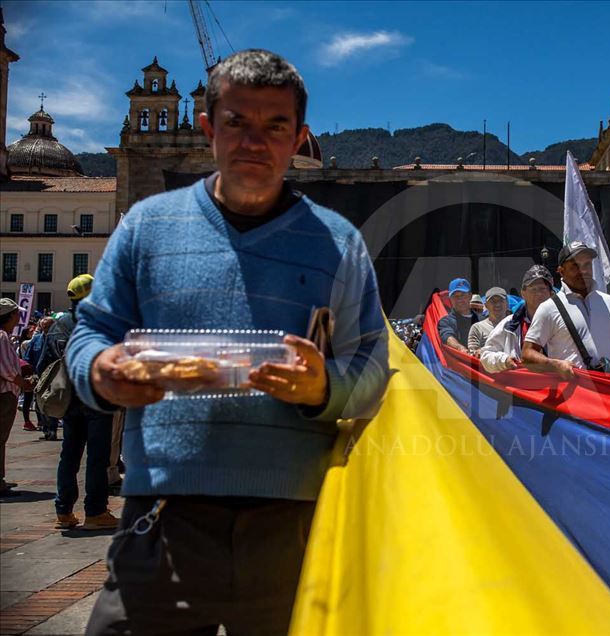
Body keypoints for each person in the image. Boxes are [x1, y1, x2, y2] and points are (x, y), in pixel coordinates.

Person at [67, 50, 388, 635]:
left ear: (300, 139)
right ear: (209, 127)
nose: (254, 141)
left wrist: (325, 387)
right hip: (163, 518)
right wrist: (102, 369)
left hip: (293, 528)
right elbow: (92, 332)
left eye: (275, 126)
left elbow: (371, 364)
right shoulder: (146, 227)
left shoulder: (339, 243)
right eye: (237, 122)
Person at [38, 275, 119, 531]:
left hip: (68, 402)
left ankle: (63, 511)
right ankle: (95, 512)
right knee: (97, 457)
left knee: (69, 456)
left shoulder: (58, 326)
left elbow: (43, 366)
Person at [522, 242, 610, 379]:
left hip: (609, 392)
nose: (583, 271)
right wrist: (554, 365)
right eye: (575, 266)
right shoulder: (549, 308)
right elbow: (527, 354)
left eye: (587, 264)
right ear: (561, 271)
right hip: (573, 395)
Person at [481, 265, 553, 373]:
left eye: (543, 289)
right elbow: (486, 356)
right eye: (533, 289)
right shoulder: (509, 324)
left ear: (551, 293)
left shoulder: (564, 322)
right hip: (521, 386)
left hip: (558, 385)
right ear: (523, 293)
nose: (539, 294)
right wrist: (504, 361)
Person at [1, 298, 31, 496]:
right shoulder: (2, 336)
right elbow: (6, 369)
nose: (19, 317)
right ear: (9, 315)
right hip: (4, 393)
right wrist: (24, 384)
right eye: (16, 314)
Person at [24, 317, 58, 440]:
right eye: (43, 326)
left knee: (52, 403)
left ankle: (52, 429)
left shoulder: (57, 340)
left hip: (54, 376)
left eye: (48, 326)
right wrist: (29, 373)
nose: (45, 329)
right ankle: (45, 428)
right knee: (39, 404)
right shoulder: (36, 340)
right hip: (39, 377)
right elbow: (28, 357)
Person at [438, 278, 480, 353]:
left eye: (462, 295)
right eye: (455, 296)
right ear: (450, 299)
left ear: (470, 296)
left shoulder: (482, 319)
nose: (459, 299)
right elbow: (447, 336)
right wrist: (460, 348)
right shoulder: (445, 322)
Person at [468, 287, 509, 354]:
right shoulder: (477, 328)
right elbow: (473, 354)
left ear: (507, 304)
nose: (497, 304)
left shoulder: (516, 326)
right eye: (493, 302)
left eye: (501, 301)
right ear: (486, 305)